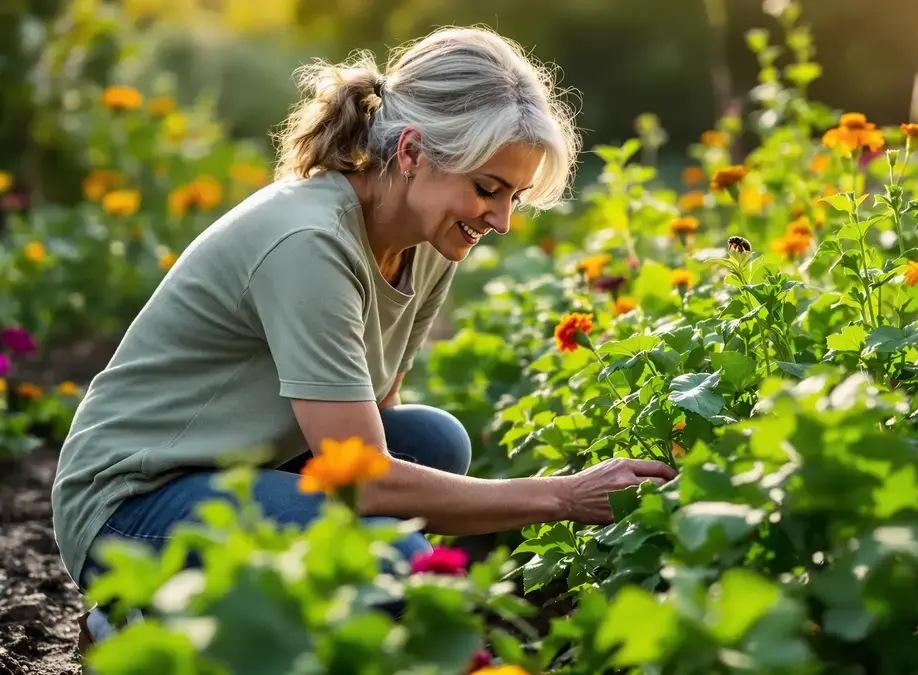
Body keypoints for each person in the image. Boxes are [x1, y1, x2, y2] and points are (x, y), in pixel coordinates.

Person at [53, 26, 678, 647]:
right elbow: (370, 483)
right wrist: (563, 497)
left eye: (514, 196)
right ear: (410, 153)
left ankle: (290, 616)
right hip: (132, 503)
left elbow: (378, 420)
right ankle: (143, 618)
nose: (503, 220)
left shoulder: (428, 242)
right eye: (487, 189)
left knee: (433, 443)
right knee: (388, 554)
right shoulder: (310, 243)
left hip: (248, 464)